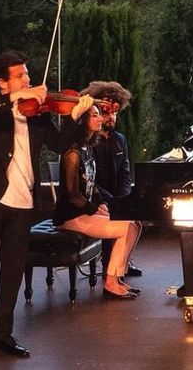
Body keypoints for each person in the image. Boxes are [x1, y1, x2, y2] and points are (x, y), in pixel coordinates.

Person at [0, 51, 94, 367]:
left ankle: (3, 336)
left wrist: (75, 117)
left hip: (23, 203)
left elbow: (58, 145)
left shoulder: (37, 113)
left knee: (12, 272)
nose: (29, 80)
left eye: (28, 75)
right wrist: (17, 96)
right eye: (20, 76)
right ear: (3, 82)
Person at [54, 103, 142, 299]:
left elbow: (91, 184)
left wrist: (101, 203)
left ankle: (117, 277)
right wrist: (95, 210)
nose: (101, 118)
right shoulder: (72, 154)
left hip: (85, 211)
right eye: (95, 115)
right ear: (84, 121)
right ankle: (110, 282)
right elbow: (73, 195)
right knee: (126, 227)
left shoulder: (87, 148)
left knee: (135, 223)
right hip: (71, 215)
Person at [80, 80, 141, 277]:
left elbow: (125, 173)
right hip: (92, 197)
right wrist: (112, 202)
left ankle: (122, 262)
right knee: (112, 213)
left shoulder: (120, 140)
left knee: (134, 214)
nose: (111, 117)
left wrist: (124, 198)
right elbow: (88, 180)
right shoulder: (88, 142)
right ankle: (110, 270)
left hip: (114, 195)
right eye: (106, 112)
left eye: (115, 112)